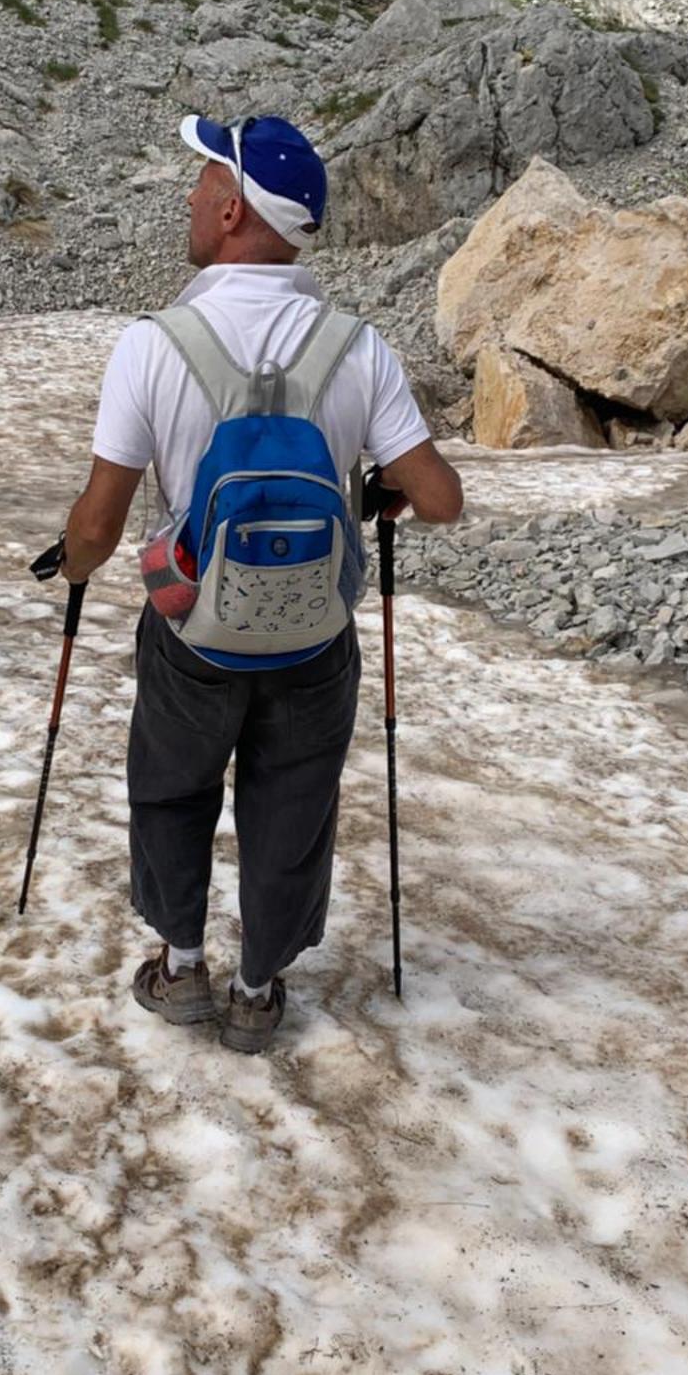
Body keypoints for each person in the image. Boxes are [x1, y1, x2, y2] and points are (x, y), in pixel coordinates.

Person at [60, 114, 463, 1052]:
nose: (191, 200)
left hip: (194, 628)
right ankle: (257, 990)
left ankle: (183, 968)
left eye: (203, 185)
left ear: (234, 209)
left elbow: (98, 526)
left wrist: (74, 568)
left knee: (173, 789)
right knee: (294, 802)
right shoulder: (357, 347)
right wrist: (384, 497)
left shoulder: (154, 345)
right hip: (315, 637)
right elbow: (439, 497)